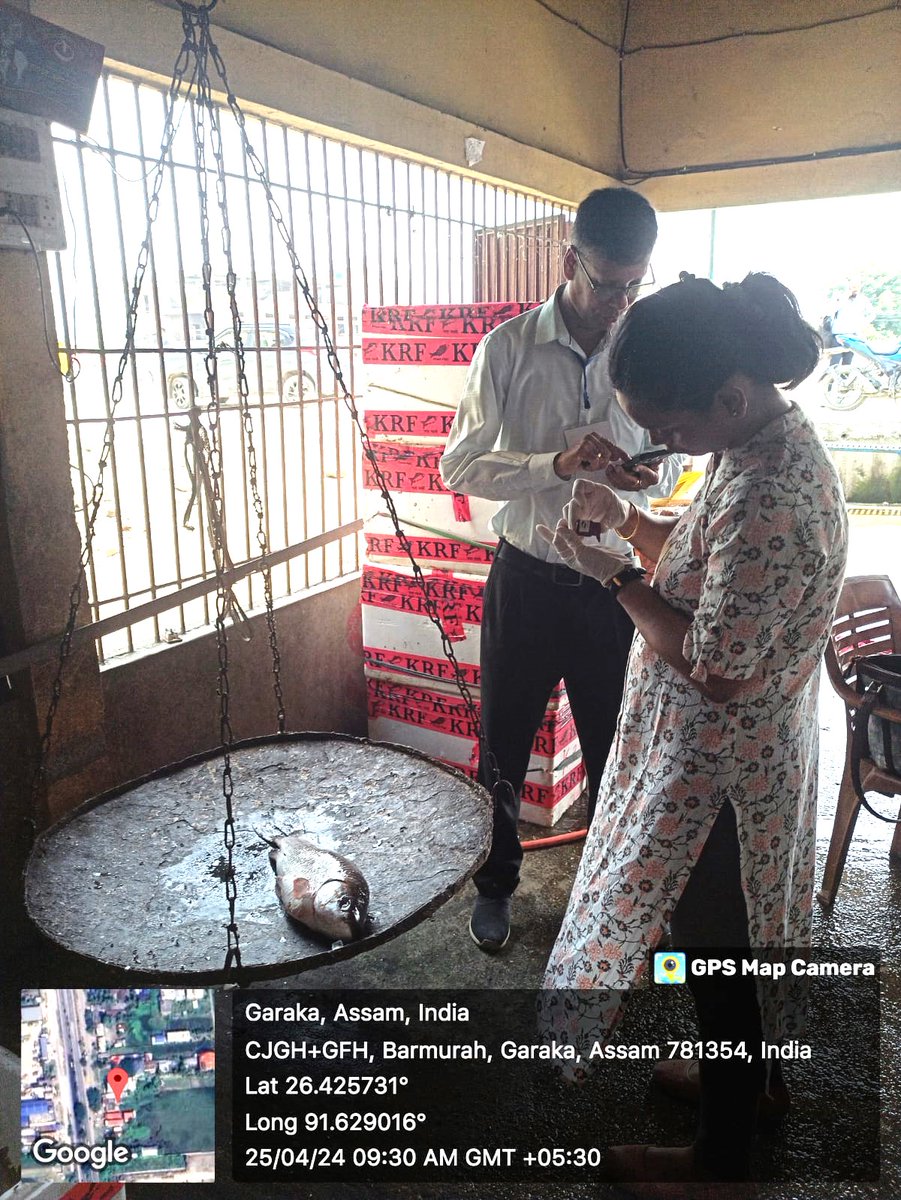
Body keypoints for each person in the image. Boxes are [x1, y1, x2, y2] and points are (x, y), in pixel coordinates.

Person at [539, 272, 848, 1184]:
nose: (661, 444)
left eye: (670, 426)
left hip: (724, 771)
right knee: (738, 937)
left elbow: (717, 665)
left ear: (729, 395)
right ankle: (747, 1083)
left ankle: (716, 1161)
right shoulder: (759, 447)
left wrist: (608, 575)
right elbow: (704, 568)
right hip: (749, 753)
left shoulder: (769, 497)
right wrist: (629, 522)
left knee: (717, 949)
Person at [439, 189, 680, 954]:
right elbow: (459, 465)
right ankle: (495, 887)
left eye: (632, 285)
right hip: (527, 581)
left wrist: (647, 476)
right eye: (606, 283)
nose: (617, 302)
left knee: (617, 745)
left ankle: (612, 893)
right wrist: (555, 463)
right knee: (503, 742)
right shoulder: (506, 349)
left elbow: (669, 450)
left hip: (613, 589)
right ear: (570, 259)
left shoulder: (640, 348)